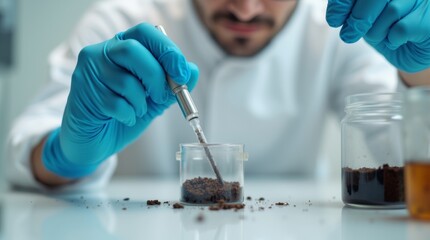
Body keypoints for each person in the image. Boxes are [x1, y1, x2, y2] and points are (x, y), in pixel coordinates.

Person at [6, 0, 430, 191]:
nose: (245, 10)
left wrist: (424, 74)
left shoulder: (341, 32)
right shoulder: (123, 21)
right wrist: (67, 155)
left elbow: (396, 158)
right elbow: (25, 154)